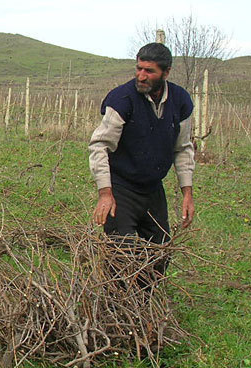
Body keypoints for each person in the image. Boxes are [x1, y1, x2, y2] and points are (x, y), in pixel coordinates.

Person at [89, 43, 195, 266]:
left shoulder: (180, 101)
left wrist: (187, 193)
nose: (142, 76)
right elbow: (100, 146)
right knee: (121, 256)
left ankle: (147, 300)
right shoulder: (121, 99)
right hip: (121, 189)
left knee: (159, 255)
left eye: (149, 71)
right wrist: (105, 193)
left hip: (153, 190)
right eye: (139, 69)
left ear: (166, 73)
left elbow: (183, 148)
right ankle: (117, 300)